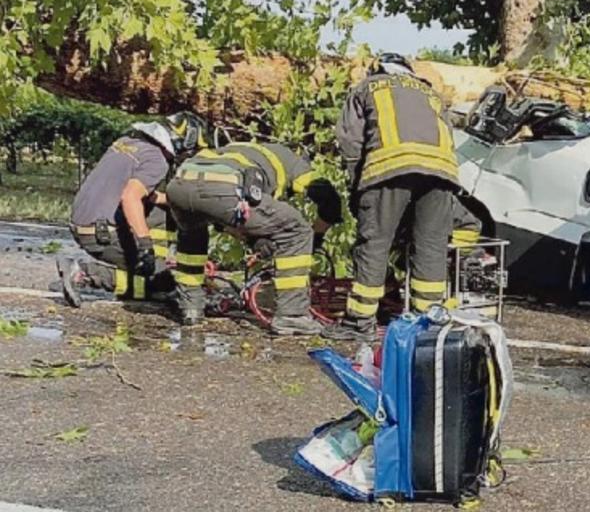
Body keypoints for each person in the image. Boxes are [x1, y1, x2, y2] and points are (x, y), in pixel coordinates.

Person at [324, 52, 460, 342]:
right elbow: (448, 134)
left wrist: (356, 185)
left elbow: (350, 139)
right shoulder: (431, 94)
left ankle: (359, 322)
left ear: (377, 69)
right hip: (442, 173)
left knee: (375, 243)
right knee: (431, 247)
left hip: (388, 169)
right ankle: (428, 324)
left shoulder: (365, 88)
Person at [166, 141, 342, 334]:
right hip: (224, 188)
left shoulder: (242, 150)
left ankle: (191, 308)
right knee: (297, 231)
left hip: (179, 185)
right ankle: (292, 315)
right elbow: (327, 196)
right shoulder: (292, 160)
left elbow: (220, 217)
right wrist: (317, 235)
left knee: (192, 233)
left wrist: (253, 239)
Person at [58, 112, 208, 308]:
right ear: (182, 142)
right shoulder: (157, 161)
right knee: (161, 280)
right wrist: (146, 246)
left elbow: (142, 193)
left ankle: (154, 268)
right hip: (99, 234)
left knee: (165, 209)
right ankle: (84, 272)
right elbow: (130, 197)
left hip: (83, 222)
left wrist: (175, 200)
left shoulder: (128, 142)